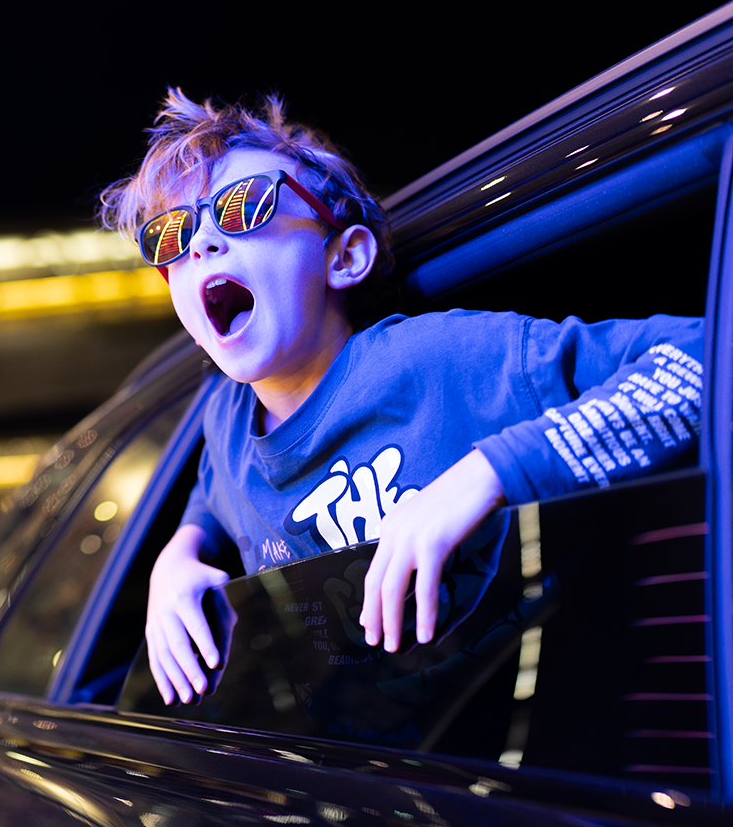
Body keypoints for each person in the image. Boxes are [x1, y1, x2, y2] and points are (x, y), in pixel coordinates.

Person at [99, 89, 703, 706]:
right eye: (171, 234)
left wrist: (490, 471)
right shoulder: (224, 420)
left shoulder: (441, 361)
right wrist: (178, 556)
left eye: (243, 207)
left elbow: (701, 360)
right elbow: (211, 491)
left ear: (344, 256)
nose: (199, 244)